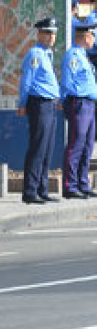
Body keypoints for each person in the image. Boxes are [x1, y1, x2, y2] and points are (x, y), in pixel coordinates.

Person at [17, 16, 62, 204]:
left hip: (50, 105)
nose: (51, 37)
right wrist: (22, 103)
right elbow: (27, 81)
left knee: (47, 149)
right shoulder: (35, 54)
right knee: (38, 148)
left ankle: (42, 189)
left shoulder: (47, 54)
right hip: (39, 104)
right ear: (39, 34)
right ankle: (30, 191)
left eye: (53, 33)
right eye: (47, 33)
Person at [60, 21, 97, 198]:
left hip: (89, 104)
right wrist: (67, 99)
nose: (94, 39)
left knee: (88, 145)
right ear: (85, 37)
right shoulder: (73, 55)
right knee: (76, 144)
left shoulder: (84, 56)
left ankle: (83, 183)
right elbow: (67, 80)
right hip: (79, 103)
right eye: (93, 35)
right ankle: (70, 185)